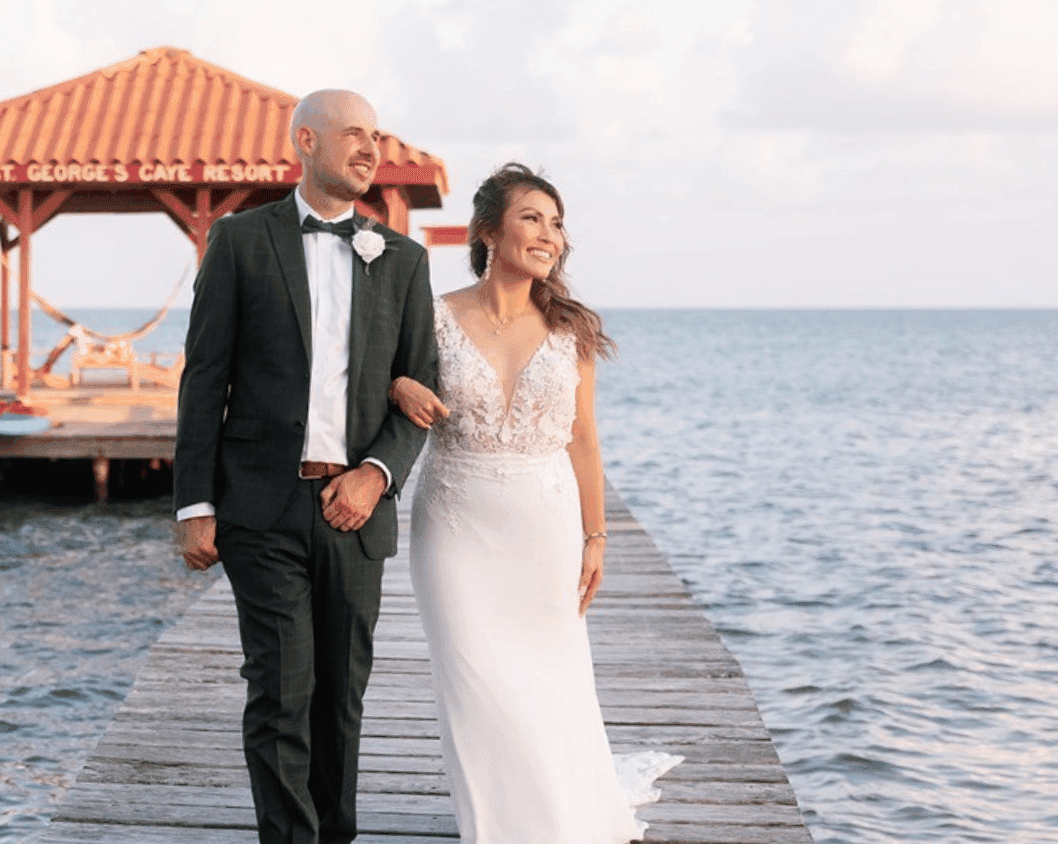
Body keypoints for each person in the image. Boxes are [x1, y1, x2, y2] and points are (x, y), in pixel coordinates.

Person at [174, 89, 439, 844]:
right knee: (282, 689)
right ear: (306, 141)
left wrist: (378, 473)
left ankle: (336, 835)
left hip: (358, 512)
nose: (370, 148)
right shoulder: (239, 242)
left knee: (340, 698)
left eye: (377, 136)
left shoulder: (403, 260)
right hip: (260, 507)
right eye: (353, 133)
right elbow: (205, 378)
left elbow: (421, 390)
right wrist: (195, 504)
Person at [388, 163, 680, 844]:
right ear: (487, 230)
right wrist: (400, 385)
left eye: (556, 223)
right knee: (476, 682)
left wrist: (596, 537)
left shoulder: (571, 329)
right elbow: (380, 384)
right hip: (455, 526)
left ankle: (556, 817)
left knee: (549, 680)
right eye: (532, 218)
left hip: (544, 529)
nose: (549, 234)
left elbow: (583, 441)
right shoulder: (431, 315)